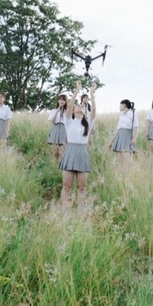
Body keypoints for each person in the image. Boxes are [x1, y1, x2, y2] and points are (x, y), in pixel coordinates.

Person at [59, 82, 94, 211]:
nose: (79, 107)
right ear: (74, 110)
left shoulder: (88, 123)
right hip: (70, 152)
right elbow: (69, 106)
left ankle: (81, 212)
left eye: (82, 106)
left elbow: (94, 110)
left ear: (85, 111)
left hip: (82, 152)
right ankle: (64, 212)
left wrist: (91, 93)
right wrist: (77, 90)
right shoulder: (69, 121)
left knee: (82, 187)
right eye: (77, 106)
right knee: (66, 186)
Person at [47, 94, 70, 162]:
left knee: (61, 152)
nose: (62, 101)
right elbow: (52, 121)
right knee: (55, 152)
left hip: (64, 129)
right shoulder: (53, 110)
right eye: (60, 99)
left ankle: (61, 167)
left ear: (66, 101)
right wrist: (57, 111)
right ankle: (54, 167)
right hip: (55, 128)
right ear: (58, 101)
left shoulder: (67, 112)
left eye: (63, 100)